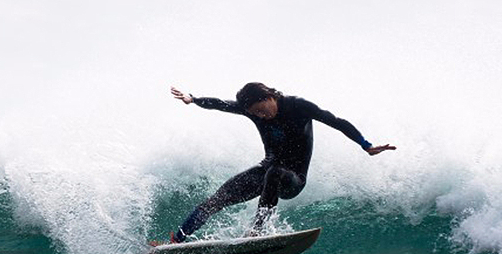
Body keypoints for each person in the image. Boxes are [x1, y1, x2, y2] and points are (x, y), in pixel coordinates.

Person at [157, 83, 395, 243]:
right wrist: (193, 99)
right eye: (255, 114)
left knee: (274, 173)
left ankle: (257, 232)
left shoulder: (298, 106)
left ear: (269, 97)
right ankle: (176, 241)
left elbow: (336, 121)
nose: (261, 116)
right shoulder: (252, 110)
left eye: (262, 110)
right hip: (268, 170)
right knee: (216, 199)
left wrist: (366, 145)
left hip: (293, 179)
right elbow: (222, 104)